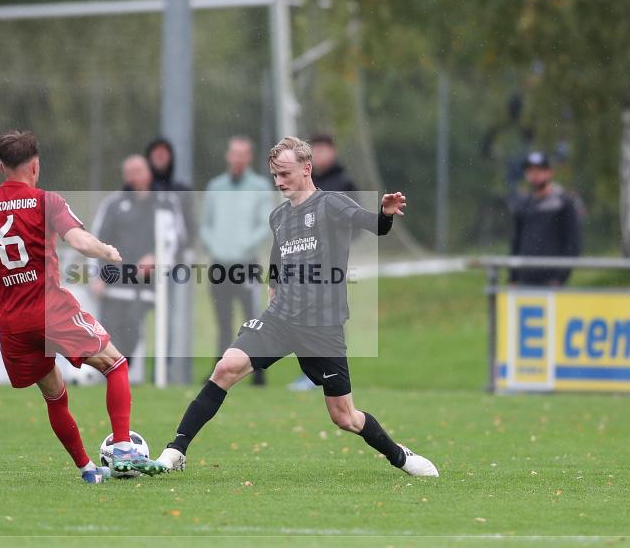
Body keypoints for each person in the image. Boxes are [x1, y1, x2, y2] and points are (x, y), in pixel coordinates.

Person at [155, 136, 438, 478]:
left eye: (284, 173)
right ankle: (176, 450)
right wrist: (273, 285)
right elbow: (278, 255)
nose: (278, 181)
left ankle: (400, 456)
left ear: (306, 169)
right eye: (274, 175)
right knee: (226, 368)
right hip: (281, 319)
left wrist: (385, 213)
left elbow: (373, 226)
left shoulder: (332, 204)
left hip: (322, 326)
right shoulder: (278, 216)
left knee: (344, 416)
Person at [0, 131, 166, 484]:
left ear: (1, 167)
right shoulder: (47, 202)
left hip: (12, 323)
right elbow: (79, 240)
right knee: (116, 364)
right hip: (51, 310)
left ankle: (89, 471)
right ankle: (122, 448)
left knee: (54, 395)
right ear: (35, 166)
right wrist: (105, 250)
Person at [90, 154, 186, 366]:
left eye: (138, 171)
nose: (134, 177)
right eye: (129, 173)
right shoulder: (113, 204)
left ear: (148, 173)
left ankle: (124, 372)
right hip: (113, 283)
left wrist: (157, 257)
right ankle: (115, 376)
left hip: (148, 286)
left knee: (132, 328)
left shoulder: (165, 203)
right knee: (110, 333)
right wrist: (98, 275)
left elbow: (177, 240)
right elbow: (97, 241)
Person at [288, 133, 363, 391]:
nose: (318, 155)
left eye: (322, 149)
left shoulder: (344, 183)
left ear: (333, 151)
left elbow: (357, 223)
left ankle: (331, 373)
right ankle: (311, 373)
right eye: (314, 150)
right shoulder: (306, 185)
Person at [200, 136, 273, 385]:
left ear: (249, 157)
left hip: (246, 263)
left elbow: (264, 225)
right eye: (235, 153)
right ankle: (219, 370)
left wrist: (242, 247)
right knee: (222, 320)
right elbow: (206, 225)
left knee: (251, 318)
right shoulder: (215, 186)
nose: (238, 158)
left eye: (243, 154)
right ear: (228, 156)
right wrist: (217, 247)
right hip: (220, 264)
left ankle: (258, 370)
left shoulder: (260, 186)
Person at [510, 151, 582, 285]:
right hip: (524, 282)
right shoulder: (523, 205)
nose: (534, 174)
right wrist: (513, 277)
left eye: (539, 170)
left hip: (551, 283)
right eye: (530, 170)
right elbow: (516, 243)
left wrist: (560, 278)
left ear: (549, 172)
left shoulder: (564, 204)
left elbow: (572, 244)